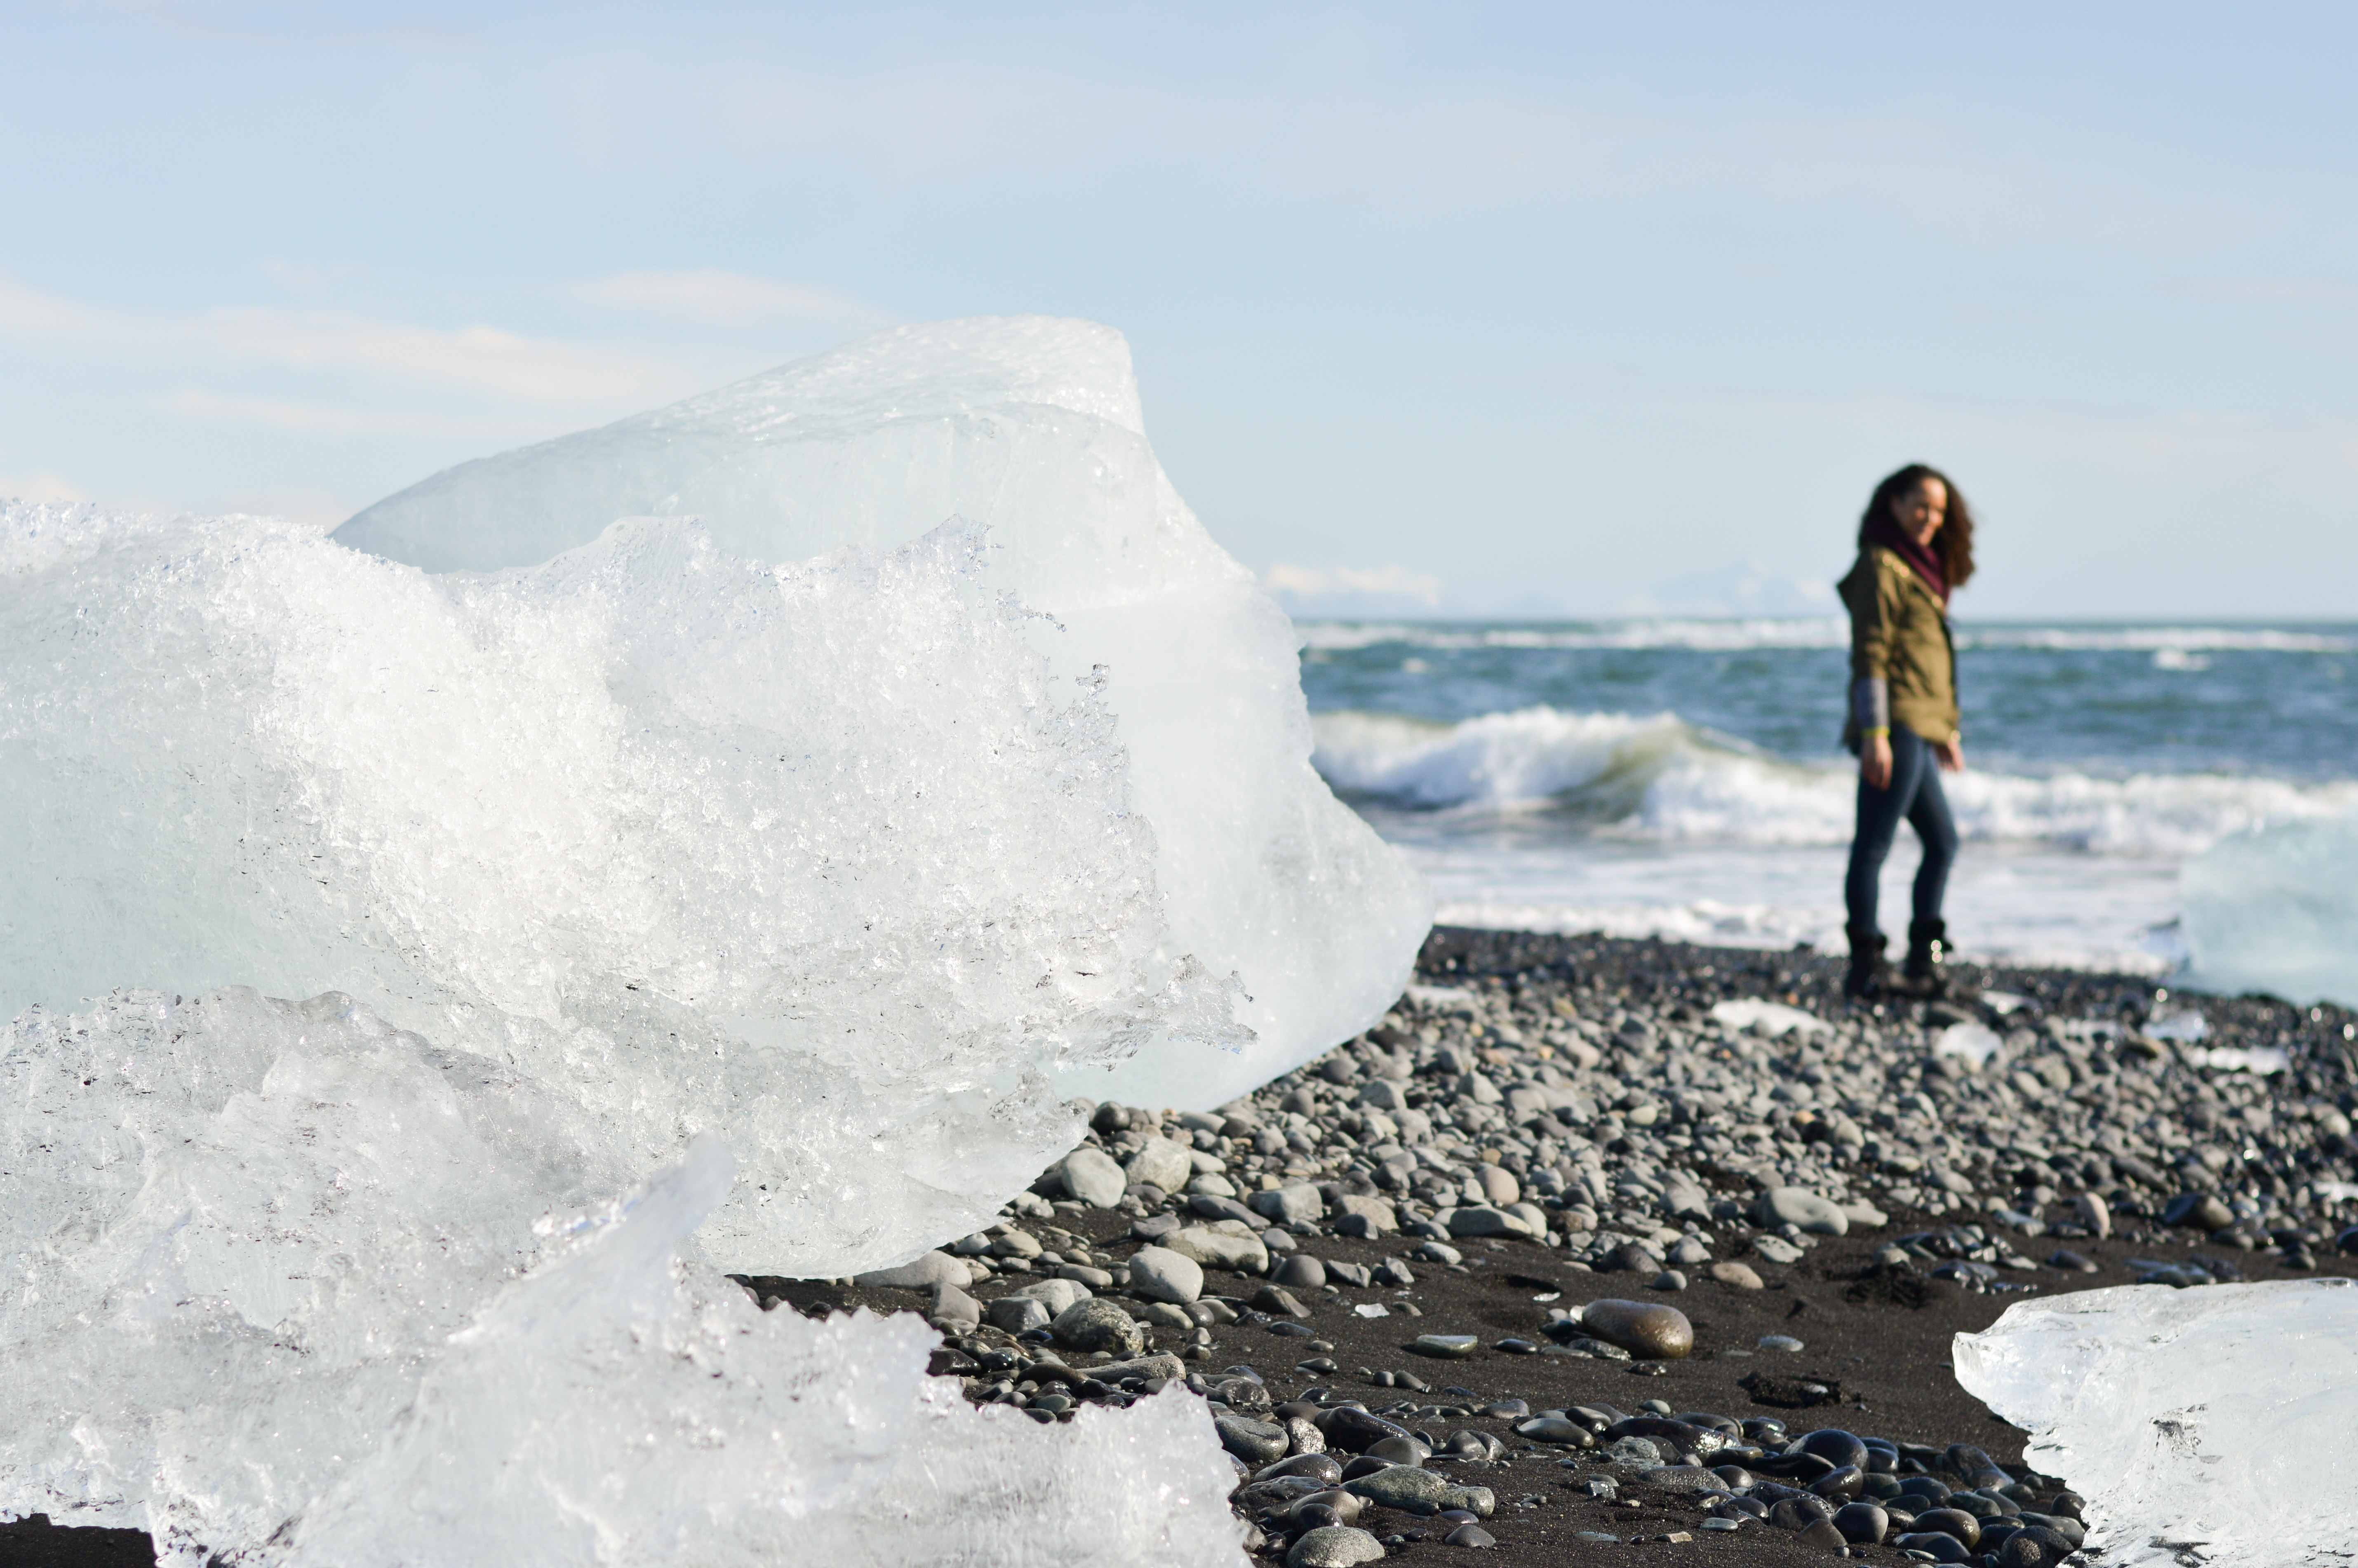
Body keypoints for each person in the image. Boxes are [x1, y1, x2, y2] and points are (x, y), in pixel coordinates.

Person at [1838, 463, 1975, 999]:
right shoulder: (1881, 565)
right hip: (1893, 726)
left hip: (1921, 725)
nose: (1931, 518)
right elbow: (1870, 654)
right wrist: (1874, 732)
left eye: (1939, 510)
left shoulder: (1922, 570)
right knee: (1873, 846)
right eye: (1921, 505)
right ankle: (1866, 964)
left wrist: (1946, 729)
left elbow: (1925, 660)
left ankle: (1924, 960)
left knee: (1942, 844)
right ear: (1893, 503)